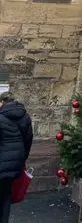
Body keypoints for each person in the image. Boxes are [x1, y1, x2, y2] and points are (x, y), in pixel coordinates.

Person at [0, 92, 33, 223]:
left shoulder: (0, 118)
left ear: (2, 102)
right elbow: (28, 138)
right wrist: (22, 158)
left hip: (2, 162)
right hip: (15, 162)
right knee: (6, 194)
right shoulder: (25, 116)